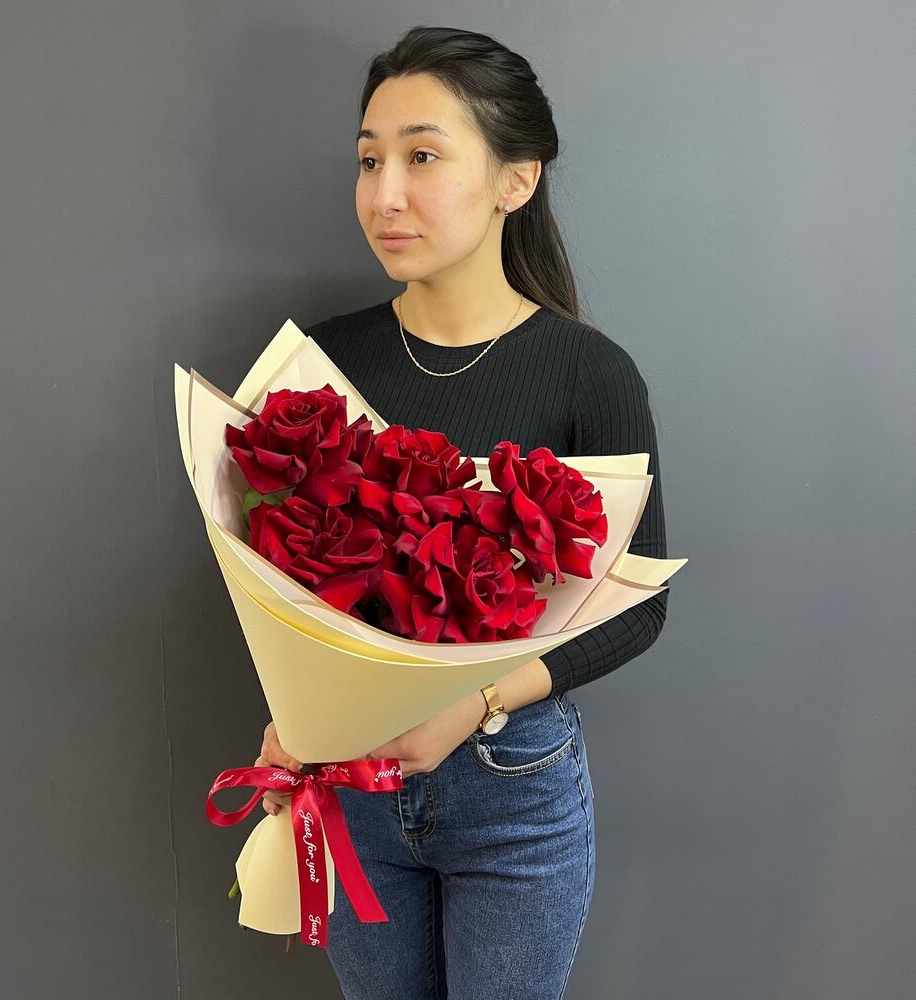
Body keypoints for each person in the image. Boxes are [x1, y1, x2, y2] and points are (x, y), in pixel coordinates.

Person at [254, 25, 671, 1000]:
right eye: (369, 160)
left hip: (511, 791)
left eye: (423, 157)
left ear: (514, 181)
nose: (384, 195)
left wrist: (475, 703)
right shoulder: (318, 363)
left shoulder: (588, 373)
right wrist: (297, 709)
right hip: (351, 785)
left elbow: (639, 604)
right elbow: (286, 575)